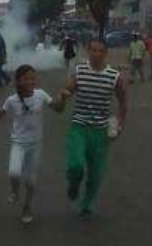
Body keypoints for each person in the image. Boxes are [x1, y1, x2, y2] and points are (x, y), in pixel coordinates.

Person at [0, 65, 67, 224]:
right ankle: (15, 191)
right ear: (18, 81)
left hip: (36, 144)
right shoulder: (12, 100)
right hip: (19, 143)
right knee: (14, 173)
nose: (31, 81)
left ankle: (27, 207)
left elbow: (59, 109)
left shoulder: (41, 95)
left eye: (33, 78)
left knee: (31, 181)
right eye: (27, 78)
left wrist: (62, 98)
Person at [61, 39, 128, 218]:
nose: (96, 54)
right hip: (79, 127)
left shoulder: (115, 76)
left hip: (100, 131)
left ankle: (86, 204)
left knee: (96, 173)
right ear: (88, 52)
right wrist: (66, 92)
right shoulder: (79, 70)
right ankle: (73, 184)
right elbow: (69, 88)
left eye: (100, 51)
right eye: (93, 50)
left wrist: (120, 123)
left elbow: (123, 101)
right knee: (75, 165)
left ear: (105, 53)